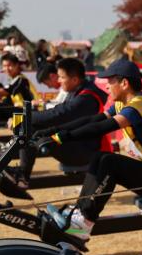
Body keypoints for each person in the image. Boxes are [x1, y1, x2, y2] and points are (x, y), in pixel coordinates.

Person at [41, 59, 142, 240]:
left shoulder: (137, 107)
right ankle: (80, 213)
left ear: (124, 83)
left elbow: (100, 128)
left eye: (110, 81)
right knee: (100, 156)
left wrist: (60, 138)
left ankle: (83, 223)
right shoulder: (124, 103)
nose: (107, 86)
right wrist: (53, 131)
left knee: (110, 162)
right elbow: (93, 120)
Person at [14, 57, 108, 187]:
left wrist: (22, 117)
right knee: (31, 127)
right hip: (79, 143)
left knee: (29, 127)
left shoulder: (86, 98)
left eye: (62, 77)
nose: (58, 81)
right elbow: (58, 112)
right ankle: (20, 172)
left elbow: (59, 114)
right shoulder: (78, 91)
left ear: (75, 80)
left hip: (87, 152)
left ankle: (22, 176)